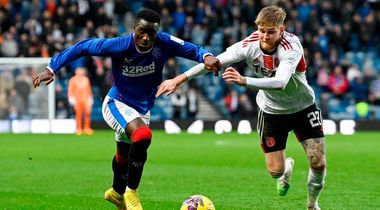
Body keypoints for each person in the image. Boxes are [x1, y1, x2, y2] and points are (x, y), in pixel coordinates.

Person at [32, 8, 221, 210]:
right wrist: (51, 68)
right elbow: (83, 47)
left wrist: (206, 56)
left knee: (124, 155)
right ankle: (132, 192)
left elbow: (192, 49)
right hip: (117, 103)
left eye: (151, 33)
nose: (146, 37)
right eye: (142, 31)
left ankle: (116, 193)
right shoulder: (120, 45)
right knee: (142, 135)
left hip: (142, 108)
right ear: (134, 28)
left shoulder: (163, 42)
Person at [157, 6, 326, 210]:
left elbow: (280, 82)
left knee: (318, 162)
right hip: (272, 110)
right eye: (262, 30)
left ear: (282, 30)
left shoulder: (292, 46)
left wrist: (244, 80)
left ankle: (312, 205)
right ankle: (286, 168)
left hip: (303, 106)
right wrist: (180, 78)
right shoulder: (248, 45)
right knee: (276, 171)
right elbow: (214, 62)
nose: (265, 36)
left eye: (271, 32)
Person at [68, 67, 94, 135]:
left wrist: (90, 98)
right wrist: (71, 98)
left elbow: (89, 89)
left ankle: (87, 128)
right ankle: (78, 128)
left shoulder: (86, 79)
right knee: (78, 114)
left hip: (86, 99)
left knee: (87, 114)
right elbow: (70, 90)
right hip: (77, 100)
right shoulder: (73, 79)